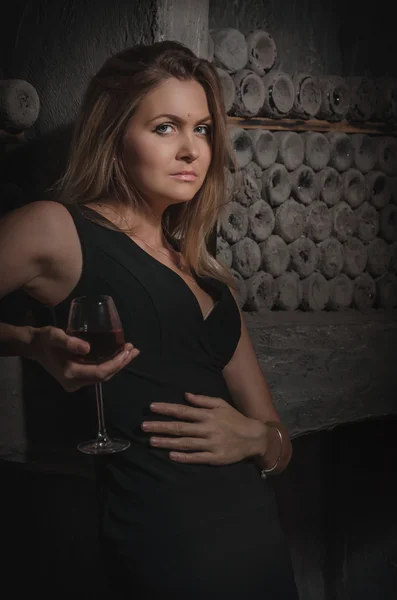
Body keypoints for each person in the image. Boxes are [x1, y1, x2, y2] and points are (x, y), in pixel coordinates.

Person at [0, 41, 298, 598]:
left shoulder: (208, 277)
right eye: (166, 127)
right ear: (116, 134)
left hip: (258, 542)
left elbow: (279, 441)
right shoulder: (60, 230)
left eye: (203, 129)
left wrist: (255, 439)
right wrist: (30, 341)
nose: (190, 150)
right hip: (167, 544)